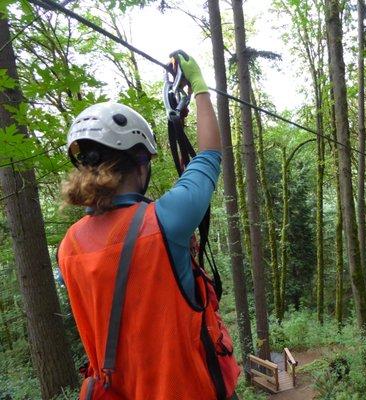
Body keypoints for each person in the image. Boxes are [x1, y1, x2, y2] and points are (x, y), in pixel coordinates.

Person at [58, 52, 239, 399]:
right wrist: (199, 86)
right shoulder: (164, 221)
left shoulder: (68, 248)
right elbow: (210, 155)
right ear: (140, 163)